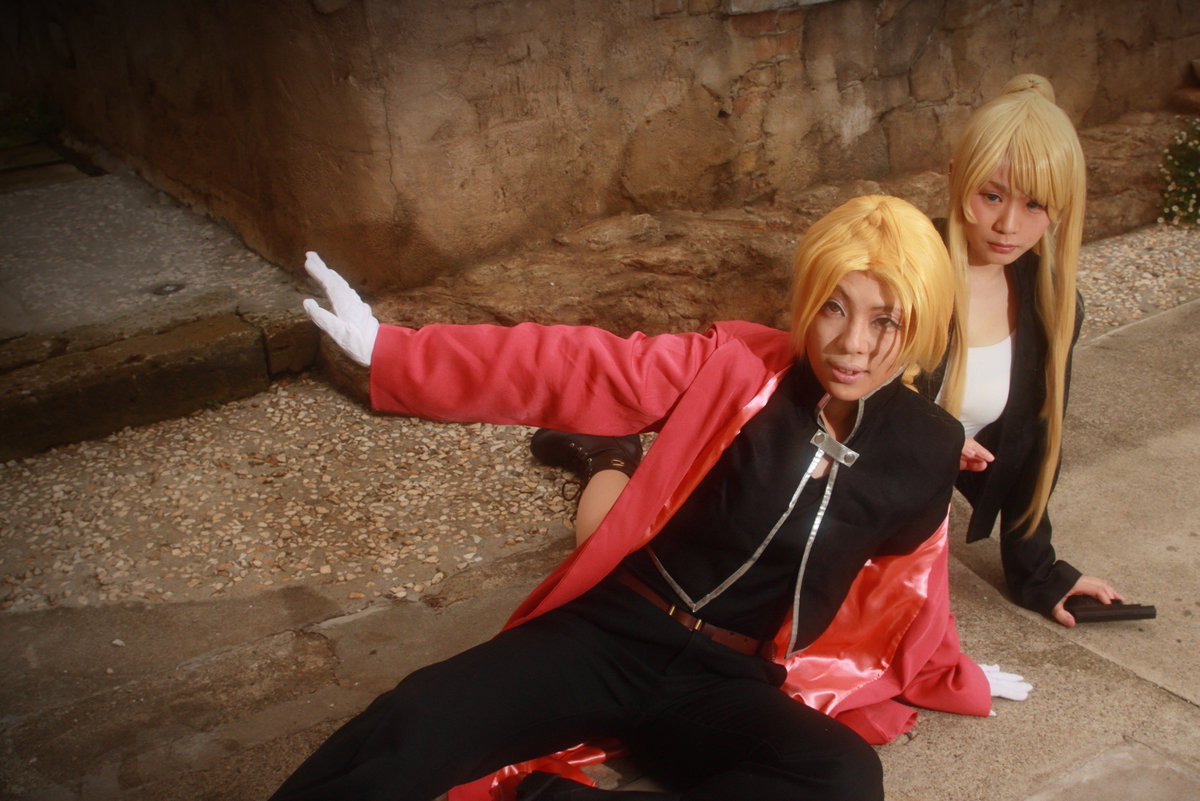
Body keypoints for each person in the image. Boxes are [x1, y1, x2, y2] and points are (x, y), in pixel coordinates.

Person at [269, 196, 1001, 801]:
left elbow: (910, 583)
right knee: (419, 716)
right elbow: (572, 365)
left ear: (919, 323)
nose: (852, 344)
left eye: (885, 320)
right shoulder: (739, 367)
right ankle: (606, 456)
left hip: (722, 682)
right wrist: (397, 351)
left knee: (842, 777)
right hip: (610, 635)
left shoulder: (926, 446)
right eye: (834, 308)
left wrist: (942, 667)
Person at [534, 74, 1123, 628]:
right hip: (805, 465)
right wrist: (925, 436)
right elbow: (816, 383)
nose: (1008, 224)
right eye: (991, 196)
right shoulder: (898, 264)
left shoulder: (1050, 306)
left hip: (887, 498)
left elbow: (1034, 445)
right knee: (622, 559)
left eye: (1035, 206)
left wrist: (1040, 573)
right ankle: (610, 456)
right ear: (956, 177)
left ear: (1063, 207)